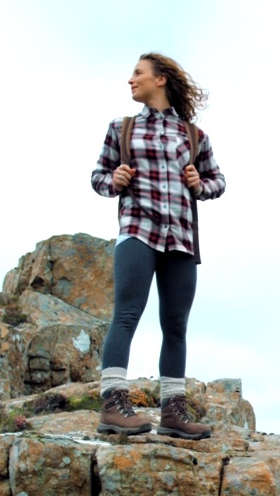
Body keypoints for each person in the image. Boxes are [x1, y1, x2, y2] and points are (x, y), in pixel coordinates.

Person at [90, 52, 226, 438]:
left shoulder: (194, 136)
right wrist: (112, 180)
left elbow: (218, 182)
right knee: (127, 314)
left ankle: (173, 413)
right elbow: (98, 176)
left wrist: (200, 184)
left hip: (181, 239)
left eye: (138, 73)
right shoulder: (122, 128)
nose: (130, 80)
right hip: (137, 231)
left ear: (160, 79)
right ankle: (113, 404)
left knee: (176, 326)